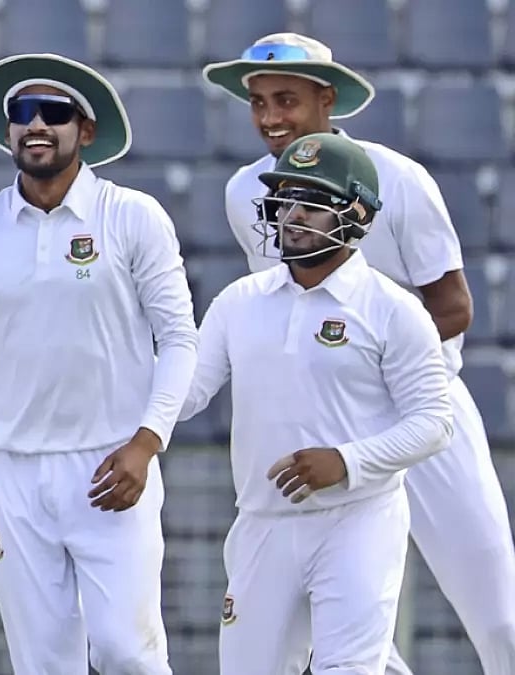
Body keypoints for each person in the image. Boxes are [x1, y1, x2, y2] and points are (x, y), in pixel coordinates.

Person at [204, 33, 515, 674]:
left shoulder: (397, 178)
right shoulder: (246, 192)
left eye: (286, 100)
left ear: (328, 98)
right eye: (258, 103)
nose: (270, 119)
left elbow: (454, 304)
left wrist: (371, 356)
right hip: (320, 417)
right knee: (336, 634)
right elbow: (278, 304)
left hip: (421, 410)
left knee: (499, 611)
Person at [0, 52, 197, 674]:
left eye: (55, 113)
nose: (37, 125)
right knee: (43, 663)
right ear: (8, 131)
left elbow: (180, 339)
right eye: (23, 113)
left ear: (85, 131)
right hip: (14, 473)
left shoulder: (132, 216)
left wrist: (146, 443)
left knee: (126, 653)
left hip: (111, 465)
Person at [179, 131, 454, 673]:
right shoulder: (240, 301)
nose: (292, 217)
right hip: (263, 519)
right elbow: (185, 394)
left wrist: (345, 462)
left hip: (359, 518)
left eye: (312, 203)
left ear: (355, 214)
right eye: (284, 201)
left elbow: (434, 421)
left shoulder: (393, 310)